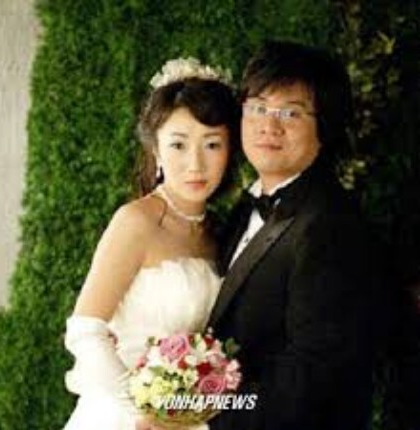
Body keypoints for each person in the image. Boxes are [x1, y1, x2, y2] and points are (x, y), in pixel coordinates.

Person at [207, 40, 391, 430]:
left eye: (291, 112)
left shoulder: (331, 227)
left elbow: (311, 376)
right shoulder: (243, 208)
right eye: (258, 107)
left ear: (325, 127)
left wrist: (202, 420)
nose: (268, 126)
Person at [62, 58, 240, 430]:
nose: (195, 164)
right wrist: (140, 411)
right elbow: (85, 330)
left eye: (212, 144)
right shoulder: (137, 222)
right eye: (178, 145)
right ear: (156, 151)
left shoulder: (220, 231)